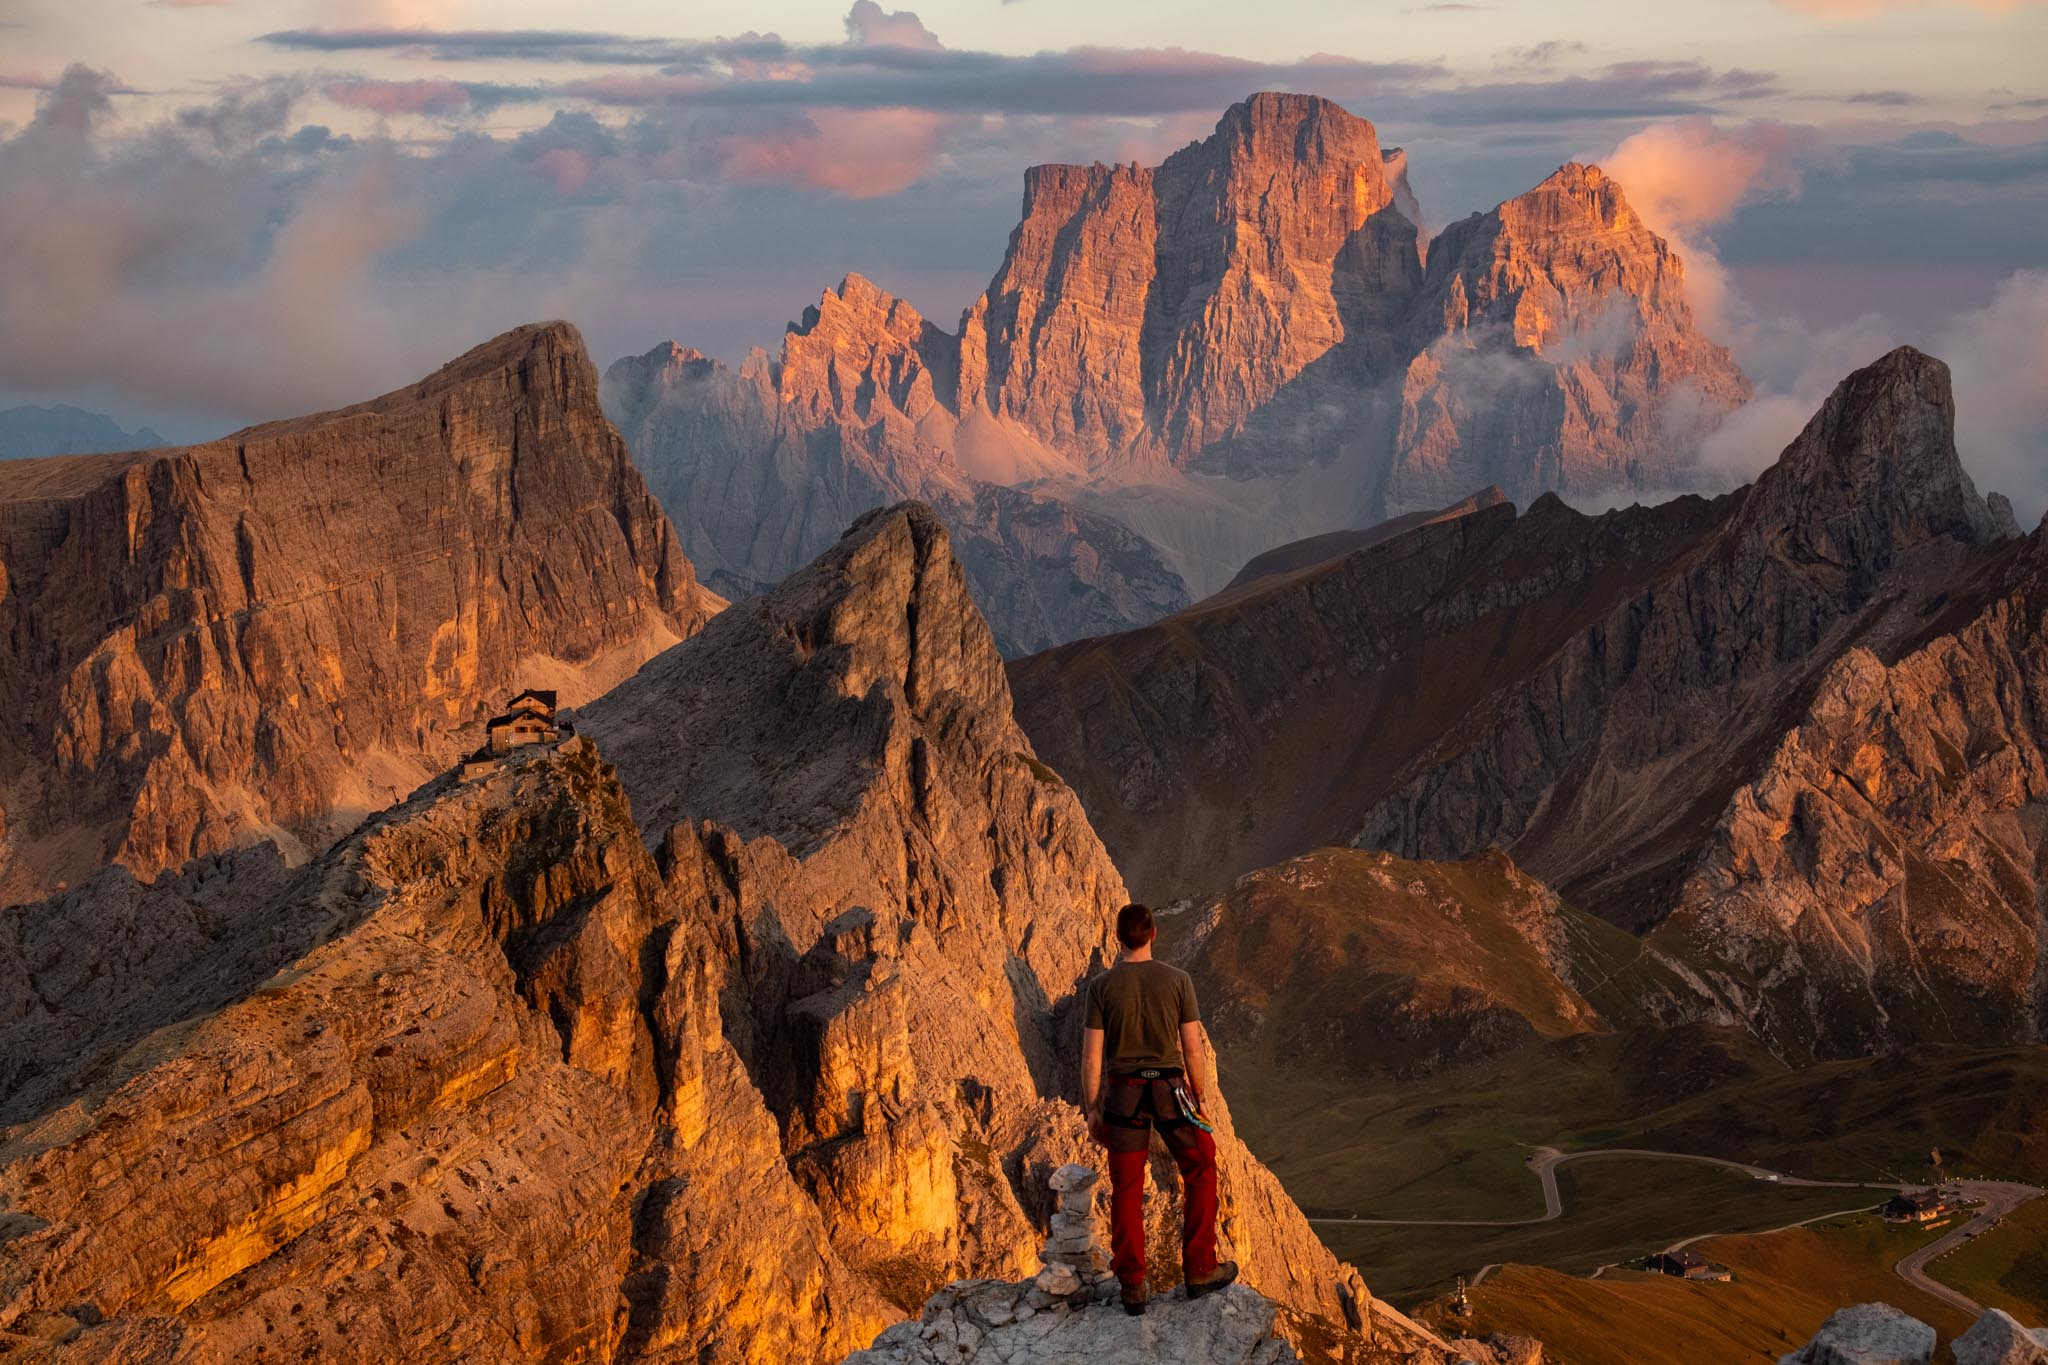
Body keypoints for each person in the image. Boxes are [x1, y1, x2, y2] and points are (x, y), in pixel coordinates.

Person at [1081, 902, 1239, 1316]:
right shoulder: (1178, 980)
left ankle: (1132, 1285)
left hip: (1122, 1093)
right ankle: (1200, 1269)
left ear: (1118, 937)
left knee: (1127, 1187)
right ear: (1154, 934)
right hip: (1170, 1089)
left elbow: (1091, 1058)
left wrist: (1093, 1107)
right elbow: (1193, 1049)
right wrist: (1198, 1096)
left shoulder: (1101, 986)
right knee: (1201, 1165)